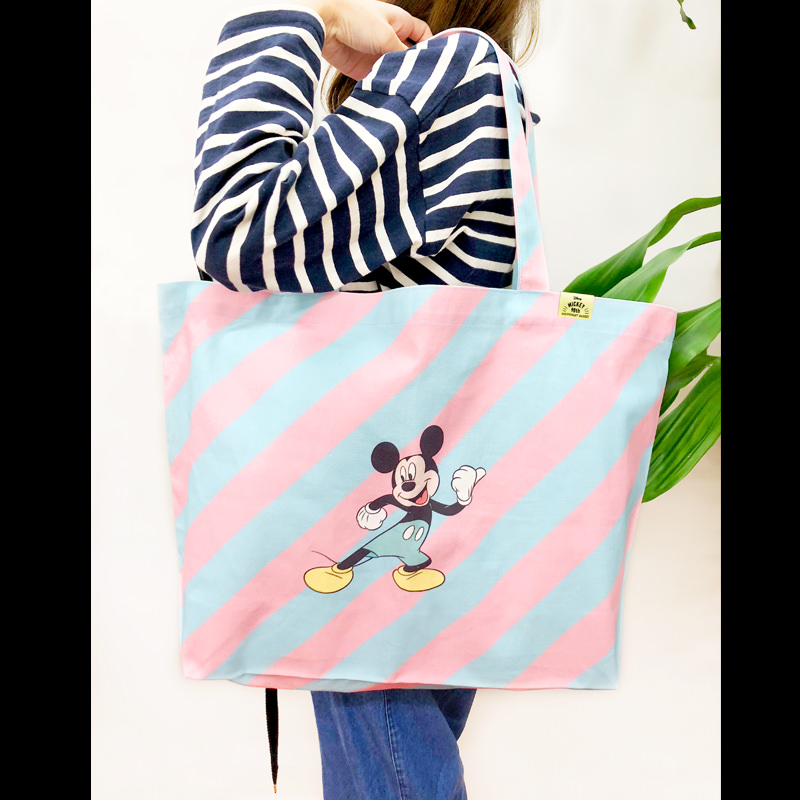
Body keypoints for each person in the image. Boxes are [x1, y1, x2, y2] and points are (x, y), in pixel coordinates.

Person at [191, 1, 540, 796]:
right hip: (409, 501)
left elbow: (236, 232)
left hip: (361, 498)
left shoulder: (450, 69)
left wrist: (304, 19)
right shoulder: (466, 79)